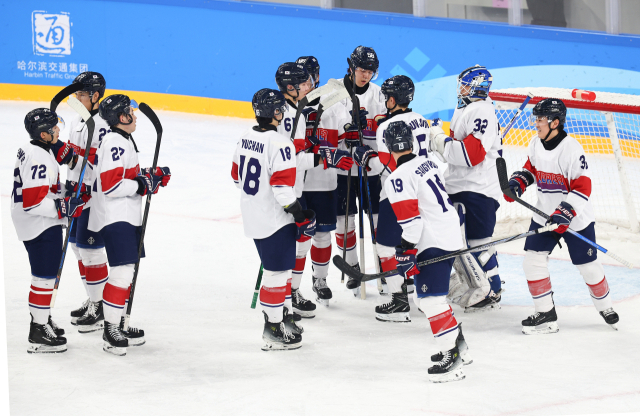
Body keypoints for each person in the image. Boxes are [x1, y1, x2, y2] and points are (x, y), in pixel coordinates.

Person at [503, 98, 619, 334]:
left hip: (575, 219)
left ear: (555, 122)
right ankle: (546, 313)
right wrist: (517, 183)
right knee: (532, 261)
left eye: (541, 119)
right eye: (535, 118)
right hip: (544, 215)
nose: (536, 123)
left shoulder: (572, 149)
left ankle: (605, 306)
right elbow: (531, 169)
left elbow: (582, 187)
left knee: (588, 266)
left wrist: (564, 212)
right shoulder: (536, 143)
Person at [384, 120, 469, 383]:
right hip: (450, 233)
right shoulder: (429, 162)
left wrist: (406, 251)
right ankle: (458, 345)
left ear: (388, 147)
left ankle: (450, 356)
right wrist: (408, 250)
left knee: (431, 301)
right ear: (411, 142)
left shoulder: (396, 178)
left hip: (431, 240)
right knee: (425, 300)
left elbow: (412, 223)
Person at [232, 88, 316, 350]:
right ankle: (272, 330)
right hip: (276, 218)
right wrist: (299, 214)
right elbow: (282, 189)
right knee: (277, 274)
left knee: (283, 270)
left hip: (253, 215)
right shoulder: (281, 143)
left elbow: (236, 177)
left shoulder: (245, 136)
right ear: (276, 112)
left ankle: (285, 317)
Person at [89, 94, 171, 355]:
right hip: (117, 217)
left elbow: (123, 177)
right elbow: (112, 185)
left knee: (128, 272)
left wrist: (148, 177)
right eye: (130, 113)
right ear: (121, 117)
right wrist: (141, 185)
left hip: (125, 215)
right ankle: (111, 328)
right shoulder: (115, 141)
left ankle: (119, 323)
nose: (134, 116)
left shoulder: (122, 140)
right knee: (122, 272)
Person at [275, 63, 353, 315]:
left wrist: (350, 136)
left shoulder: (332, 102)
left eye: (310, 78)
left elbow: (344, 136)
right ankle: (291, 290)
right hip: (296, 185)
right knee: (299, 239)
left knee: (321, 235)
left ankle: (319, 280)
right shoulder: (285, 111)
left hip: (323, 182)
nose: (309, 83)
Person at [352, 75, 430, 322]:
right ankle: (419, 291)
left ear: (394, 99)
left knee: (385, 246)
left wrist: (366, 157)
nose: (385, 100)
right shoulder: (421, 120)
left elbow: (386, 167)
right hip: (425, 188)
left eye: (387, 97)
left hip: (397, 193)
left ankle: (398, 300)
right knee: (415, 242)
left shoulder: (387, 127)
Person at [12, 108, 90, 353]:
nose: (59, 130)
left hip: (35, 222)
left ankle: (42, 319)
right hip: (40, 223)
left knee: (45, 276)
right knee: (44, 277)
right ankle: (38, 330)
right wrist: (63, 206)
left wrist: (66, 192)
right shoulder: (40, 158)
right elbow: (34, 202)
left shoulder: (35, 148)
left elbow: (43, 190)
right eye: (54, 128)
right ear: (44, 135)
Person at [429, 65, 503, 312]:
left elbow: (471, 156)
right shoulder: (468, 108)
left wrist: (440, 140)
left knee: (478, 242)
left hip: (478, 189)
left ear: (476, 87)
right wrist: (442, 144)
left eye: (464, 85)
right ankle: (482, 285)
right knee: (463, 243)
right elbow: (456, 155)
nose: (460, 89)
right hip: (460, 185)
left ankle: (492, 287)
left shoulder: (482, 110)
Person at [335, 46, 387, 294]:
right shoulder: (334, 92)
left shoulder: (379, 95)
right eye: (361, 70)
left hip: (372, 170)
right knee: (344, 223)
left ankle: (382, 266)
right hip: (342, 170)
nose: (365, 75)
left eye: (370, 71)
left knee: (378, 220)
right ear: (350, 66)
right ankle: (352, 265)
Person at [65, 71, 112, 333]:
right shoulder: (77, 121)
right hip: (75, 193)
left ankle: (101, 305)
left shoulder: (103, 126)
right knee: (75, 247)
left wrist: (68, 156)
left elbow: (98, 166)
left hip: (93, 197)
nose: (76, 97)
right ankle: (95, 299)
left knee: (90, 251)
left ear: (95, 96)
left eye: (81, 94)